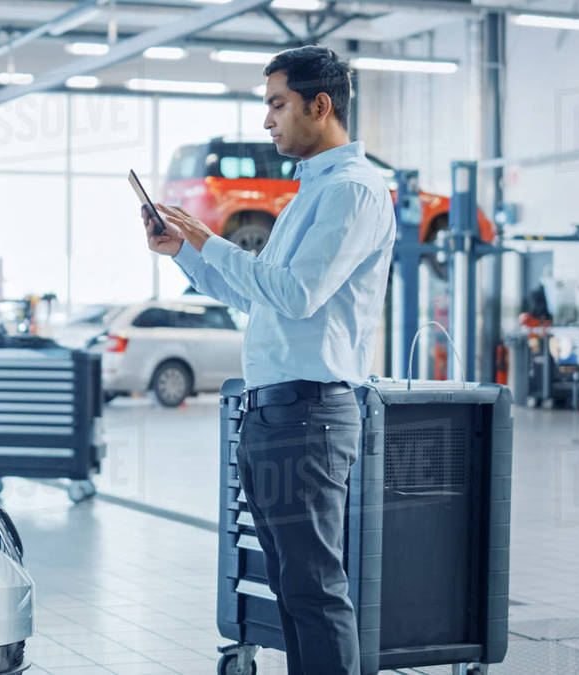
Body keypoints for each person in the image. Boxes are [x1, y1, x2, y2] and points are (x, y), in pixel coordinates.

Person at [142, 46, 394, 675]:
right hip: (275, 413)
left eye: (278, 104)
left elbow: (297, 293)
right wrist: (186, 252)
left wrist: (212, 241)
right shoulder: (310, 193)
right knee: (292, 586)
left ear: (320, 104)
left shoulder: (352, 192)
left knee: (315, 589)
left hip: (310, 414)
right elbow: (258, 297)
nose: (267, 120)